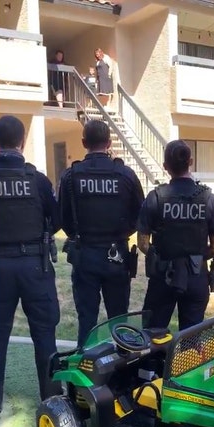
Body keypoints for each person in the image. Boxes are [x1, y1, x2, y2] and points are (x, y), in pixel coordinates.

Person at [0, 115, 61, 418]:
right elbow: (57, 219)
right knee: (44, 335)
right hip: (34, 266)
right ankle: (52, 406)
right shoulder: (37, 180)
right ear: (22, 142)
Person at [58, 119, 144, 346]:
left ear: (84, 142)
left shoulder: (71, 176)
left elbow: (63, 218)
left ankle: (84, 374)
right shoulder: (125, 175)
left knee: (87, 319)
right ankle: (123, 372)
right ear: (108, 143)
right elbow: (140, 215)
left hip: (84, 254)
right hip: (117, 254)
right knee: (119, 319)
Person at [137, 141, 214, 330]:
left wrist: (162, 257)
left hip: (162, 277)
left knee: (153, 335)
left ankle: (155, 361)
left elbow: (143, 243)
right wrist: (198, 258)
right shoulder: (207, 197)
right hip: (196, 275)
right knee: (191, 339)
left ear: (165, 166)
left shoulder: (156, 197)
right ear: (191, 161)